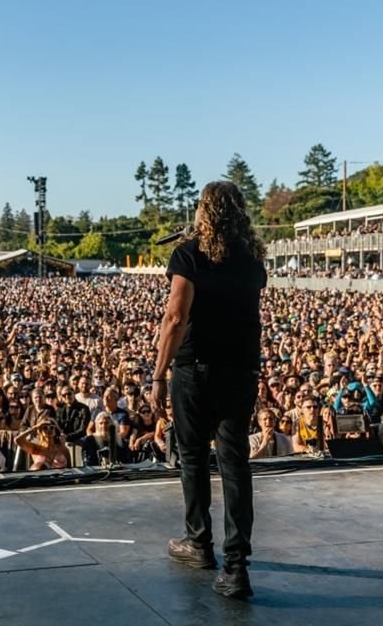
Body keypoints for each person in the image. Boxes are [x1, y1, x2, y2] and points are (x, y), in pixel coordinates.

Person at [152, 180, 265, 600]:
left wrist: (158, 373)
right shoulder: (253, 258)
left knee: (194, 457)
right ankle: (237, 569)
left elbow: (176, 317)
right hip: (241, 370)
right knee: (235, 463)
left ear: (203, 210)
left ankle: (198, 543)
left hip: (196, 370)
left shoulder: (188, 254)